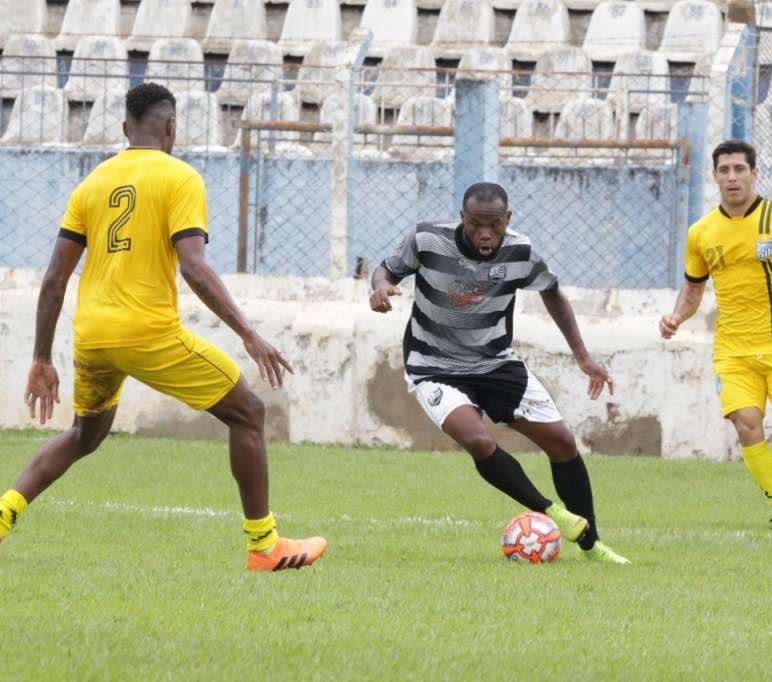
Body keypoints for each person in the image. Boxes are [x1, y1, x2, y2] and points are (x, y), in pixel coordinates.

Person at [0, 83, 326, 572]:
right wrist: (248, 334)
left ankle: (3, 514)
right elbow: (194, 266)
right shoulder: (180, 177)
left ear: (124, 128)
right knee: (248, 412)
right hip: (147, 333)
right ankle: (264, 546)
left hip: (93, 334)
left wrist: (42, 357)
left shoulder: (91, 184)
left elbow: (53, 280)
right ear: (171, 127)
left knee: (84, 434)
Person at [368, 182, 629, 563]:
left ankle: (592, 546)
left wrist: (583, 357)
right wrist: (380, 289)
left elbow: (552, 292)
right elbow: (386, 270)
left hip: (494, 362)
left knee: (561, 442)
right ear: (462, 217)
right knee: (478, 440)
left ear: (508, 219)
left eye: (494, 225)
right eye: (475, 224)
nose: (485, 234)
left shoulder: (520, 251)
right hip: (433, 365)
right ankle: (552, 513)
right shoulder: (426, 239)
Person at [660, 140, 772, 529]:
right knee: (746, 423)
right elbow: (692, 291)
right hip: (732, 351)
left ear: (754, 173)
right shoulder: (701, 232)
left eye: (739, 169)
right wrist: (676, 317)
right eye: (724, 170)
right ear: (714, 177)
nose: (732, 177)